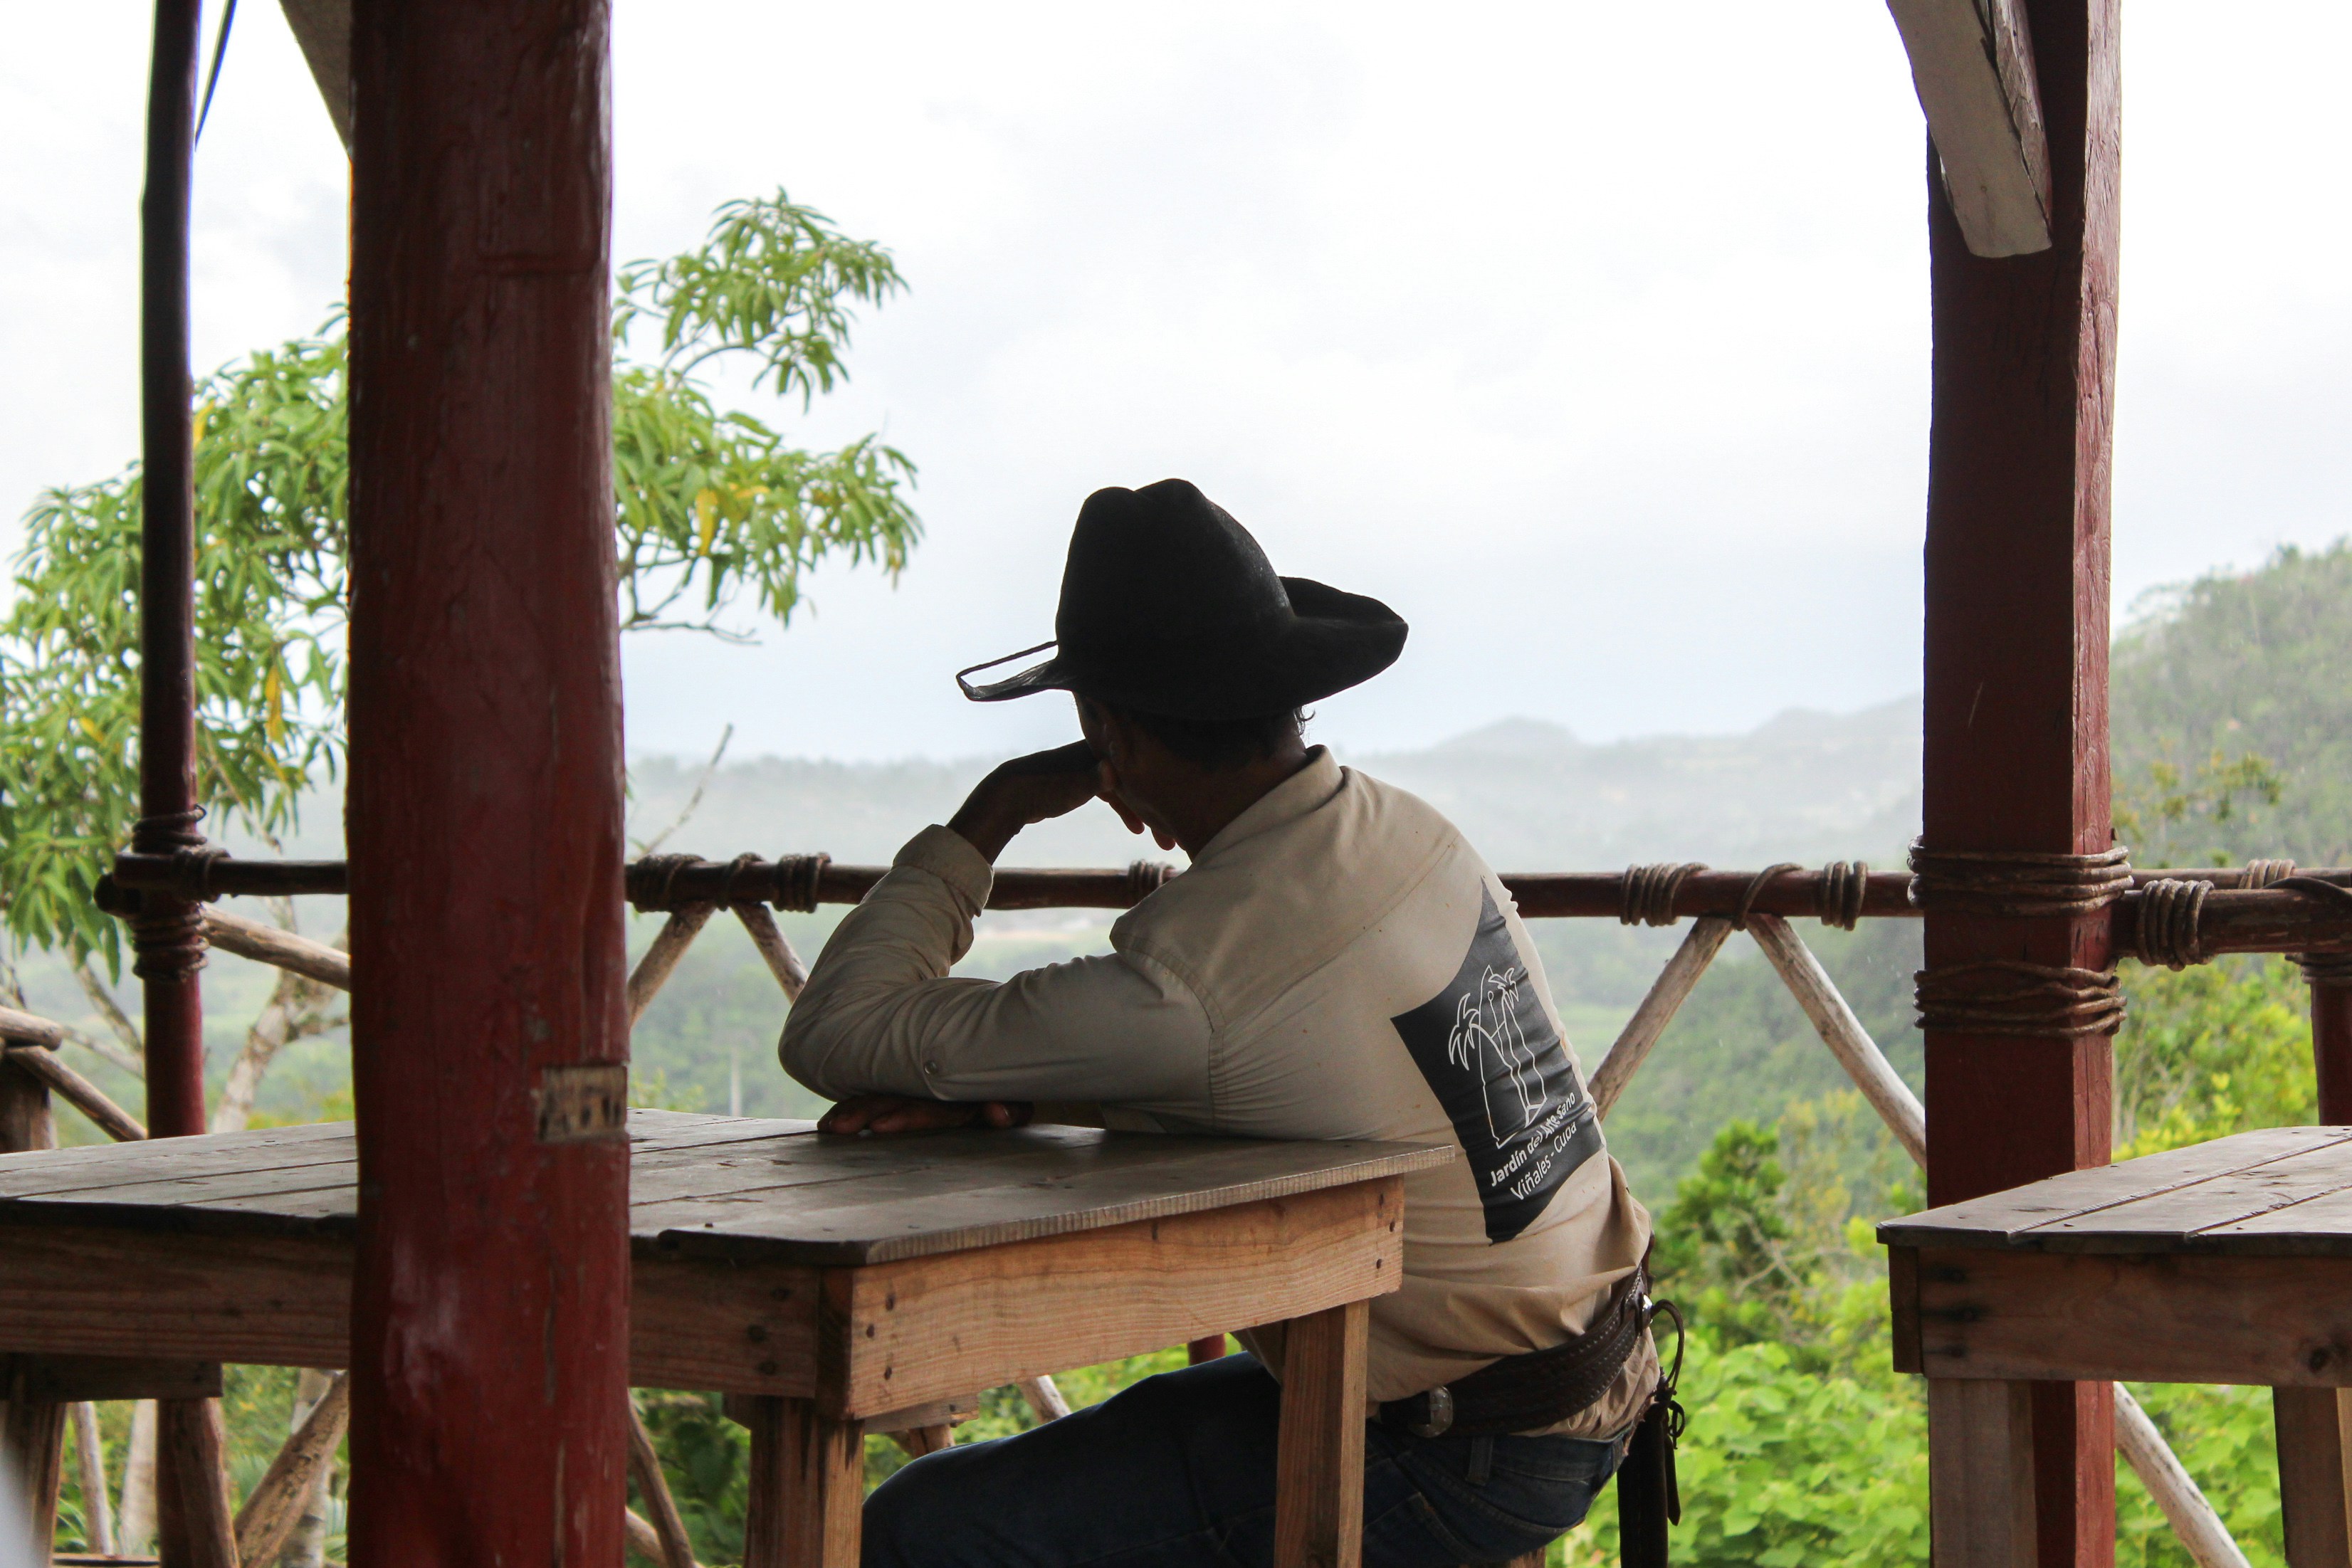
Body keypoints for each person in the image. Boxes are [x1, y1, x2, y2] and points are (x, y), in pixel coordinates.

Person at [780, 479, 1659, 1568]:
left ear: (1105, 734)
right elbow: (1290, 1055)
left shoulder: (1201, 967)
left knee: (920, 1530)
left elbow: (835, 1029)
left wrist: (991, 812)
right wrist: (1022, 1086)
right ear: (1286, 699)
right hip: (1586, 1372)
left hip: (1458, 1454)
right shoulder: (1401, 831)